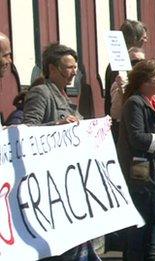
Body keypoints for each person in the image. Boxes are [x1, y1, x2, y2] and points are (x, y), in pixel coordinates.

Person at [22, 43, 99, 259]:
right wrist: (57, 125)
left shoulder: (63, 95)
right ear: (53, 68)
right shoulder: (41, 93)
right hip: (50, 183)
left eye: (75, 67)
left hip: (67, 180)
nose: (74, 71)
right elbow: (28, 129)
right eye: (69, 67)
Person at [117, 59, 155, 260]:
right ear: (144, 81)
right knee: (145, 219)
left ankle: (149, 254)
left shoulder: (152, 102)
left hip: (152, 169)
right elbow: (137, 138)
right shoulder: (135, 103)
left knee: (153, 216)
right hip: (139, 172)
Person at [105, 19, 148, 117]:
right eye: (143, 37)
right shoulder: (117, 66)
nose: (146, 40)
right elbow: (116, 103)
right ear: (134, 38)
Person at [109, 47, 146, 141]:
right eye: (134, 62)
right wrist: (122, 89)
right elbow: (116, 113)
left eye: (142, 62)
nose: (138, 66)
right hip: (130, 134)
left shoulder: (149, 84)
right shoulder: (118, 84)